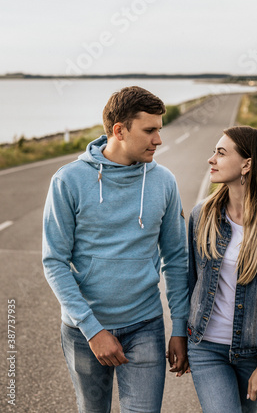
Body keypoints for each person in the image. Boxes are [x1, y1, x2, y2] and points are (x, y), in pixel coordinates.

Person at [42, 86, 189, 413]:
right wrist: (93, 331)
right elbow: (54, 262)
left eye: (160, 130)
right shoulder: (68, 181)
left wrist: (180, 327)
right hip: (84, 330)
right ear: (119, 130)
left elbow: (177, 260)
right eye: (149, 130)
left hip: (145, 325)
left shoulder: (164, 182)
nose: (158, 140)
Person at [187, 125, 257, 413]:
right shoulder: (202, 216)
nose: (211, 159)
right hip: (206, 347)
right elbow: (189, 282)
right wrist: (179, 337)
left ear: (247, 165)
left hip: (252, 354)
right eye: (214, 152)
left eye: (221, 153)